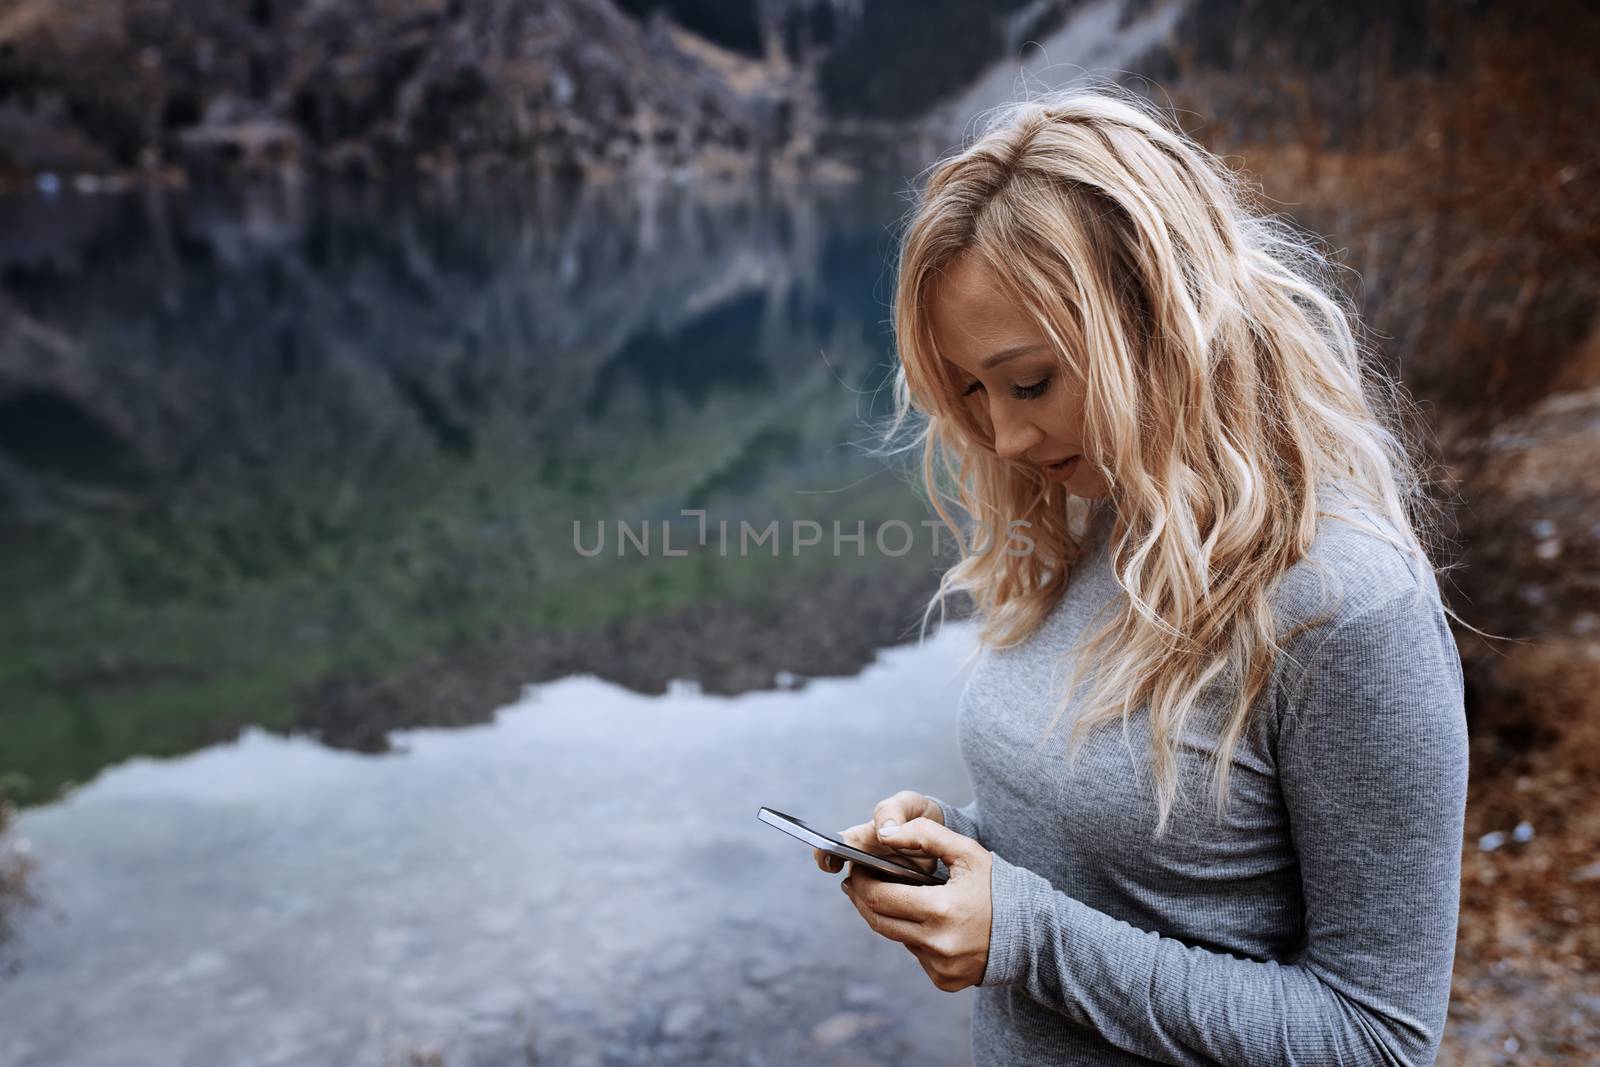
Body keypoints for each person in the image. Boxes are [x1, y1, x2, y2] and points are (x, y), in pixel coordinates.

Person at [811, 86, 1469, 1066]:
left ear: (1165, 320)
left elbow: (1378, 1038)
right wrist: (963, 847)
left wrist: (1027, 936)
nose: (1006, 435)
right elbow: (1143, 866)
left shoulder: (1347, 605)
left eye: (1030, 380)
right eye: (972, 391)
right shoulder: (1110, 522)